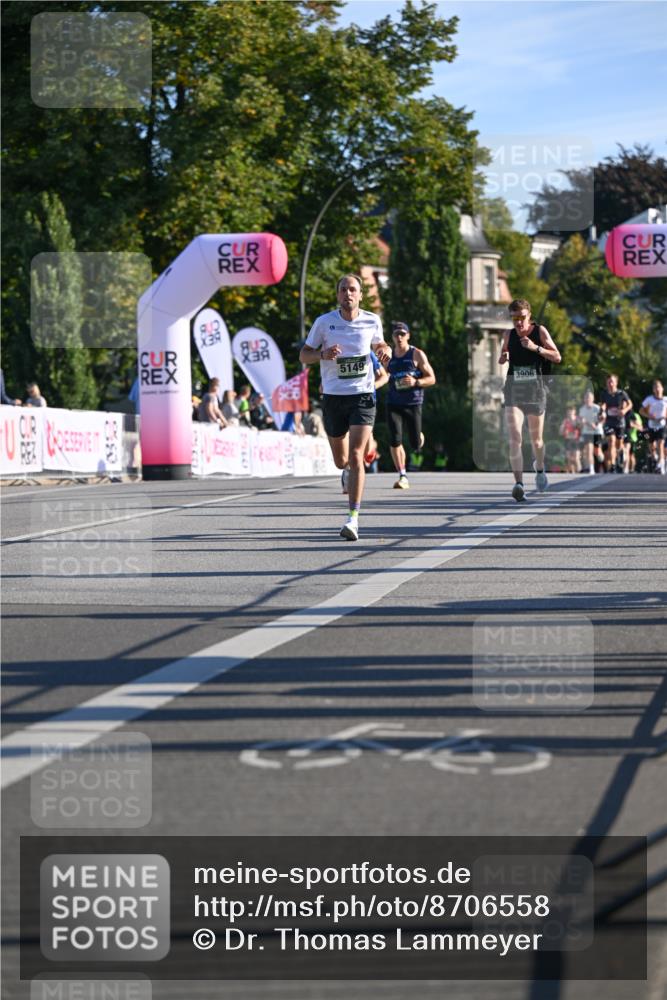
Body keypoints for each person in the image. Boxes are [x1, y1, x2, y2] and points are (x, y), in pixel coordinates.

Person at [300, 273, 392, 540]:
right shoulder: (324, 323)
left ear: (361, 295)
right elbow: (304, 354)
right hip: (333, 397)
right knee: (341, 460)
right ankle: (347, 475)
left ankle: (353, 518)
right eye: (343, 290)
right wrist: (322, 355)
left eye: (353, 289)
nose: (348, 294)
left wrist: (384, 351)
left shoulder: (372, 320)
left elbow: (380, 344)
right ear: (338, 294)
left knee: (355, 455)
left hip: (362, 394)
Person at [499, 299, 562, 501]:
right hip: (513, 391)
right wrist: (502, 357)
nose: (518, 322)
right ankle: (518, 484)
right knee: (515, 437)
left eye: (522, 318)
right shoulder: (508, 335)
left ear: (529, 316)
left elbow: (557, 357)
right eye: (514, 318)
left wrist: (536, 348)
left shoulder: (540, 332)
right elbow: (504, 352)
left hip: (535, 391)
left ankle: (540, 469)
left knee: (536, 440)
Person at [385, 321, 436, 489]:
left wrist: (415, 382)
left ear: (408, 336)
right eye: (396, 334)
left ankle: (419, 436)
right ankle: (402, 475)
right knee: (395, 439)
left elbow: (432, 378)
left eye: (402, 334)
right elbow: (381, 375)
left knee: (414, 444)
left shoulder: (417, 354)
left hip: (413, 403)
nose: (399, 337)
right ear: (392, 337)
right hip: (393, 403)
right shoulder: (388, 356)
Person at [599, 374, 632, 472]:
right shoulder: (604, 393)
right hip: (609, 421)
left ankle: (620, 455)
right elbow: (603, 404)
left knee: (619, 444)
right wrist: (602, 408)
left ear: (616, 383)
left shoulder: (621, 393)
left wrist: (624, 410)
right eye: (608, 382)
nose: (610, 384)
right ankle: (613, 464)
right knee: (611, 441)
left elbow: (630, 404)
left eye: (612, 381)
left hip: (620, 422)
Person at [640, 379, 667, 474]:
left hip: (662, 425)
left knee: (660, 444)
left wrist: (664, 416)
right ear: (653, 390)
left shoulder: (665, 400)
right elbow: (641, 411)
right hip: (651, 425)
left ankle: (660, 465)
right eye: (655, 388)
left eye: (659, 387)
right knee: (652, 446)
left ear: (662, 388)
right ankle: (655, 457)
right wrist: (649, 416)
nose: (658, 389)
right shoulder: (649, 399)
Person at [578, 389, 604, 474]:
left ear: (593, 399)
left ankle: (602, 461)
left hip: (597, 432)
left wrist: (597, 423)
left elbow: (602, 418)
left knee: (598, 452)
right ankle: (591, 469)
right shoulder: (582, 409)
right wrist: (586, 424)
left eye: (589, 398)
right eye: (586, 398)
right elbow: (582, 420)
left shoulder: (597, 408)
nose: (588, 399)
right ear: (584, 399)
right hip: (587, 432)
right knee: (589, 449)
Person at [559, 406, 580, 473]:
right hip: (568, 440)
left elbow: (581, 428)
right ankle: (572, 472)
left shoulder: (577, 419)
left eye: (571, 411)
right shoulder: (565, 421)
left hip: (576, 440)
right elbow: (560, 433)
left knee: (576, 458)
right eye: (569, 411)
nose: (570, 412)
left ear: (574, 412)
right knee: (569, 458)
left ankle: (579, 472)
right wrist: (562, 428)